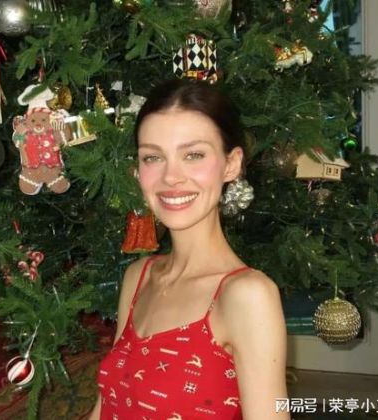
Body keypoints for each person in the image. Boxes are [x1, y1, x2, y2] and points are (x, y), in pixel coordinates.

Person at [88, 79, 289, 420]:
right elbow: (106, 406)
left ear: (231, 164)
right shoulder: (139, 276)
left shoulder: (247, 295)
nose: (171, 177)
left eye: (193, 155)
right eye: (153, 157)